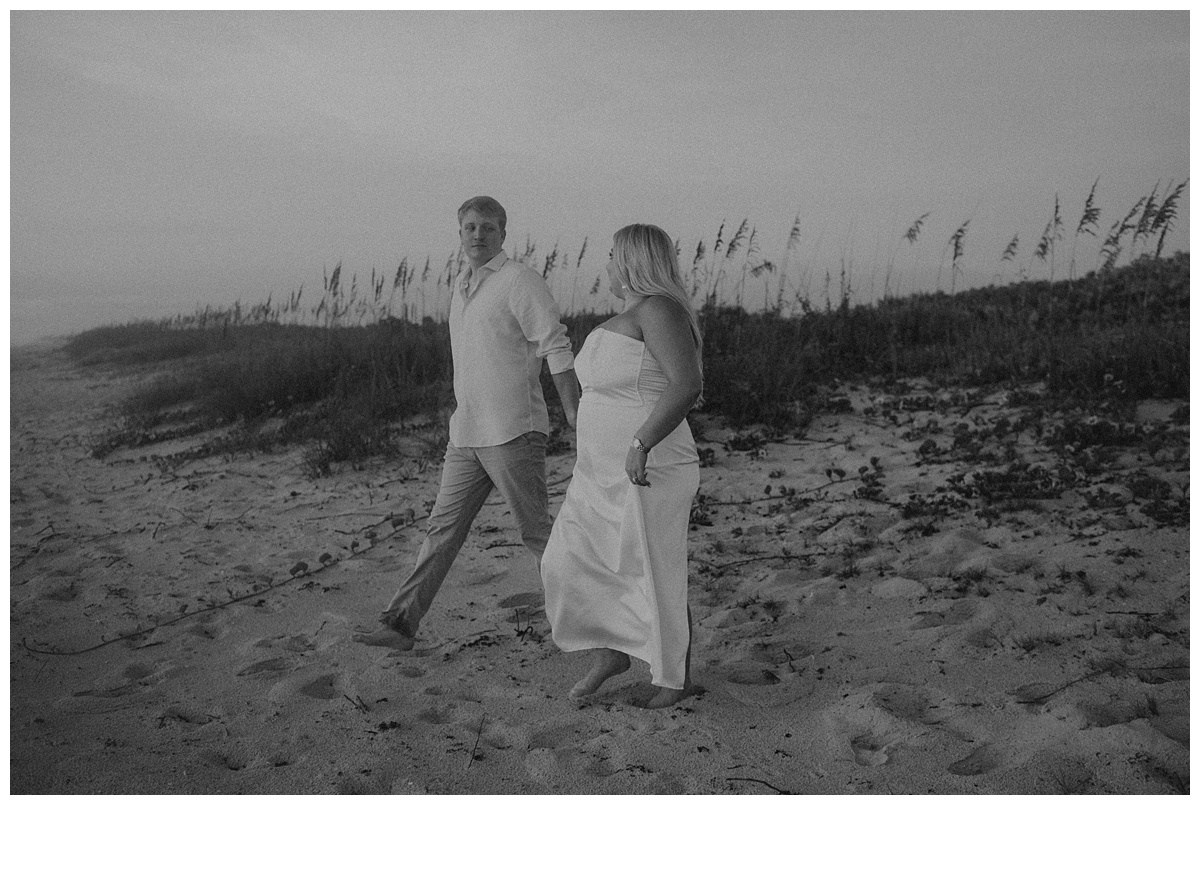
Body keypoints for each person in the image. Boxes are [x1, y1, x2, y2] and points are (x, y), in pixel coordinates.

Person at [354, 196, 580, 650]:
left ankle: (590, 626)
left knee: (538, 536)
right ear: (460, 234)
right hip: (467, 434)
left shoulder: (519, 280)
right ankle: (399, 624)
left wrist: (575, 414)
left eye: (488, 228)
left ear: (502, 233)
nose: (479, 235)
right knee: (442, 529)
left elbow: (554, 346)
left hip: (514, 431)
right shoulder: (460, 286)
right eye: (470, 228)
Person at [541, 223, 703, 709]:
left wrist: (640, 442)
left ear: (632, 261)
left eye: (612, 255)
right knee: (571, 558)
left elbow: (686, 384)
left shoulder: (659, 310)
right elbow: (591, 395)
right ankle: (612, 652)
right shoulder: (628, 315)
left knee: (654, 566)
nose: (607, 264)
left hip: (650, 464)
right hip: (598, 471)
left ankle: (674, 680)